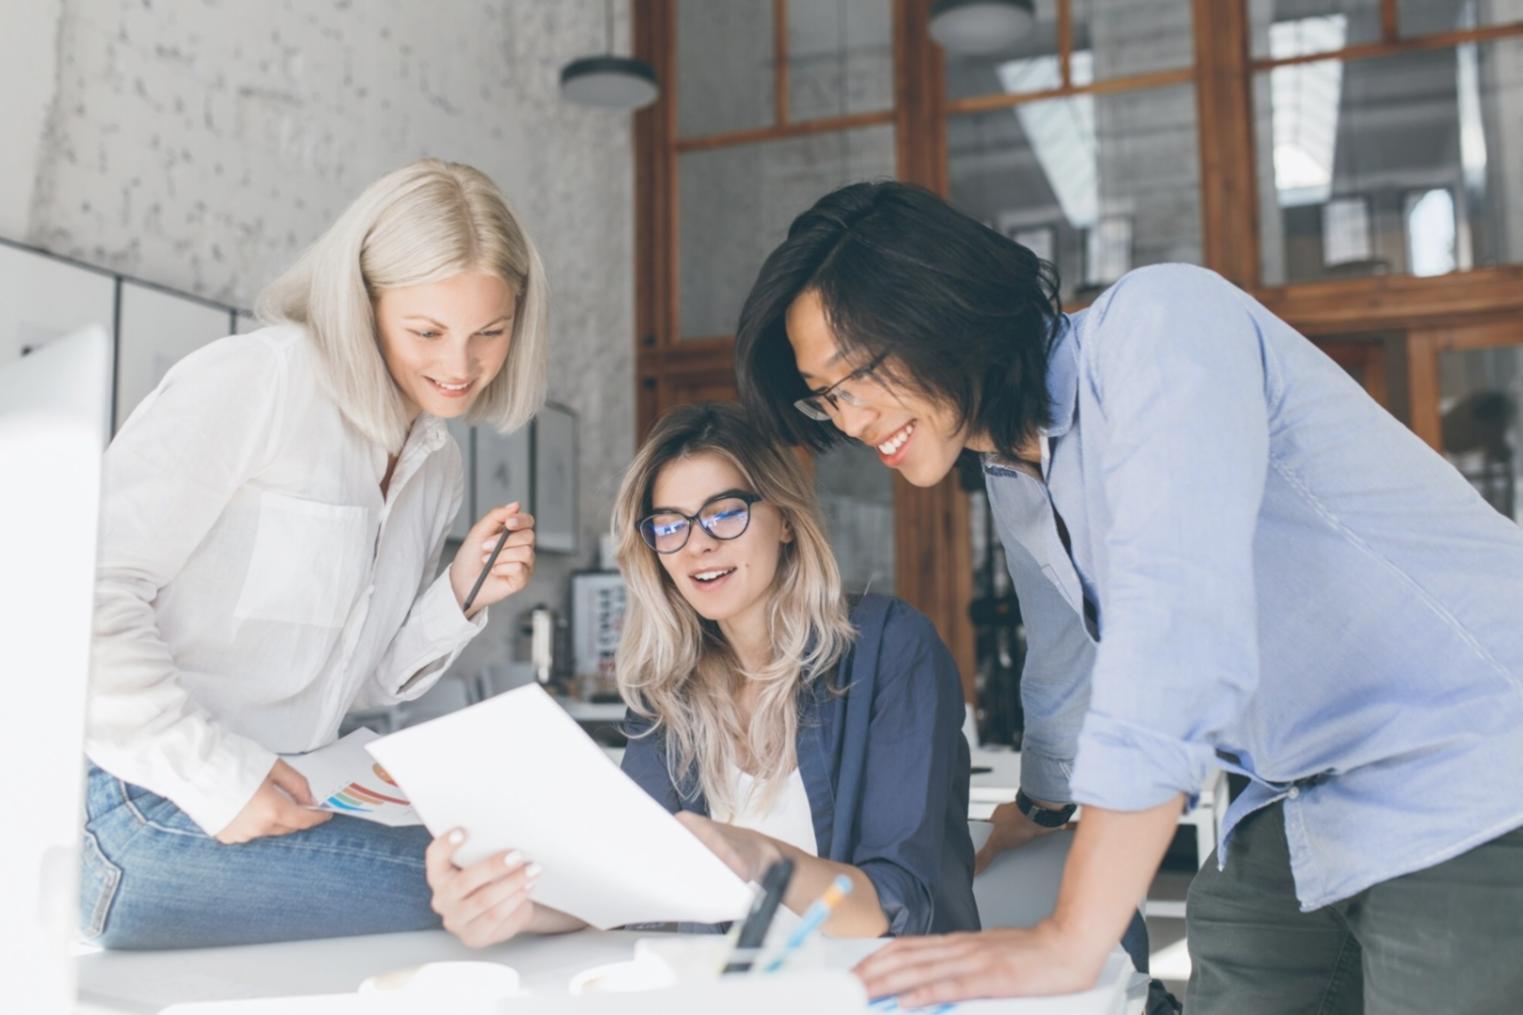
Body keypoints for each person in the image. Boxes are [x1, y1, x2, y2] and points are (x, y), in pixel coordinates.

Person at [732, 180, 1523, 1013]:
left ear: (943, 305)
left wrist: (1069, 935)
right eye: (828, 395)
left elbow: (1174, 621)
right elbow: (1067, 657)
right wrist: (1039, 806)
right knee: (1237, 945)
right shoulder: (1012, 468)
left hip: (1467, 761)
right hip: (1303, 797)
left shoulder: (1158, 323)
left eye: (860, 373)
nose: (852, 419)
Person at [81, 158, 549, 948]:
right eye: (427, 332)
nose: (460, 366)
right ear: (359, 304)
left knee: (508, 872)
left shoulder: (437, 462)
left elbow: (353, 682)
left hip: (289, 788)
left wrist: (457, 593)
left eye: (490, 333)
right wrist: (220, 779)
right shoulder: (256, 382)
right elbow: (77, 593)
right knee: (508, 890)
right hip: (137, 805)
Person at [425, 401, 978, 946]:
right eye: (670, 526)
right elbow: (634, 878)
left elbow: (897, 902)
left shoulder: (889, 646)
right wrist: (516, 906)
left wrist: (763, 858)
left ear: (785, 518)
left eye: (725, 512)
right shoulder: (666, 687)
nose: (698, 544)